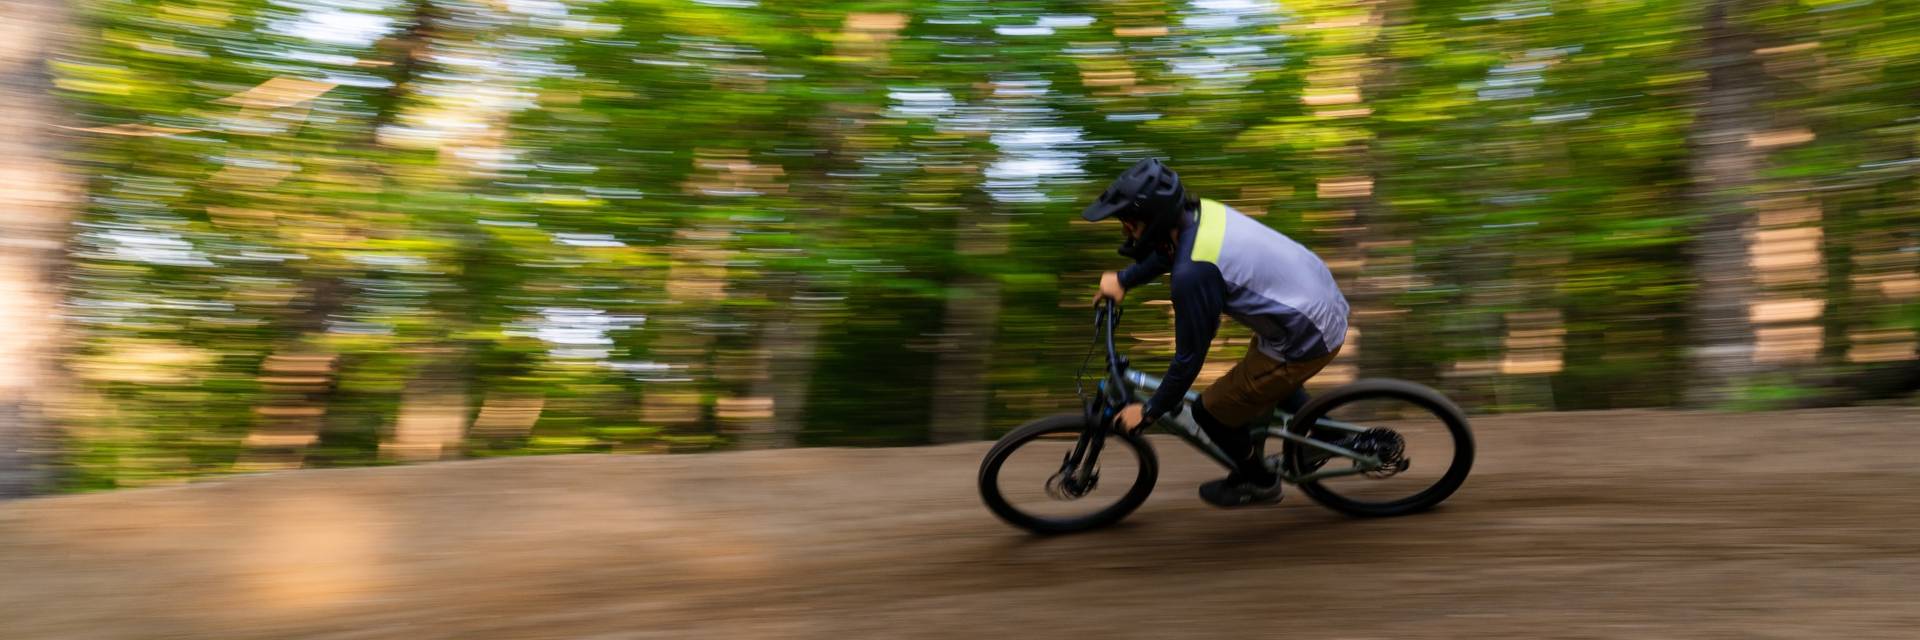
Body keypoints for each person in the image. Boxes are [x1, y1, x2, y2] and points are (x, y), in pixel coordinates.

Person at [1085, 158, 1350, 508]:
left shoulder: (1193, 275)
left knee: (1210, 412)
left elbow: (1189, 358)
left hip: (1306, 332)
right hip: (1313, 298)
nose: (1125, 231)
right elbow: (1173, 252)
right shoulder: (1198, 214)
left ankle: (1260, 482)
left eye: (1129, 223)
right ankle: (1332, 432)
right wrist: (1123, 279)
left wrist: (1150, 411)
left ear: (1155, 221)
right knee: (1261, 380)